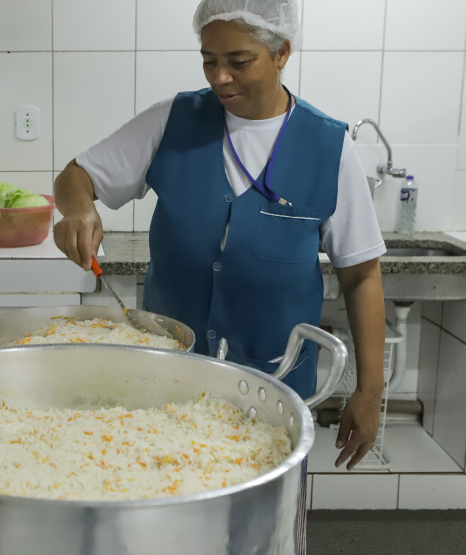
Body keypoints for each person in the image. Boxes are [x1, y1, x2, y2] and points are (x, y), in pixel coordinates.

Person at [53, 0, 385, 475]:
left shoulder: (329, 147)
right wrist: (80, 207)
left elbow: (361, 275)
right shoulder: (173, 120)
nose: (219, 77)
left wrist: (369, 393)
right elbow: (77, 175)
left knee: (258, 531)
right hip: (167, 381)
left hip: (271, 389)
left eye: (238, 61)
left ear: (282, 53)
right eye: (209, 60)